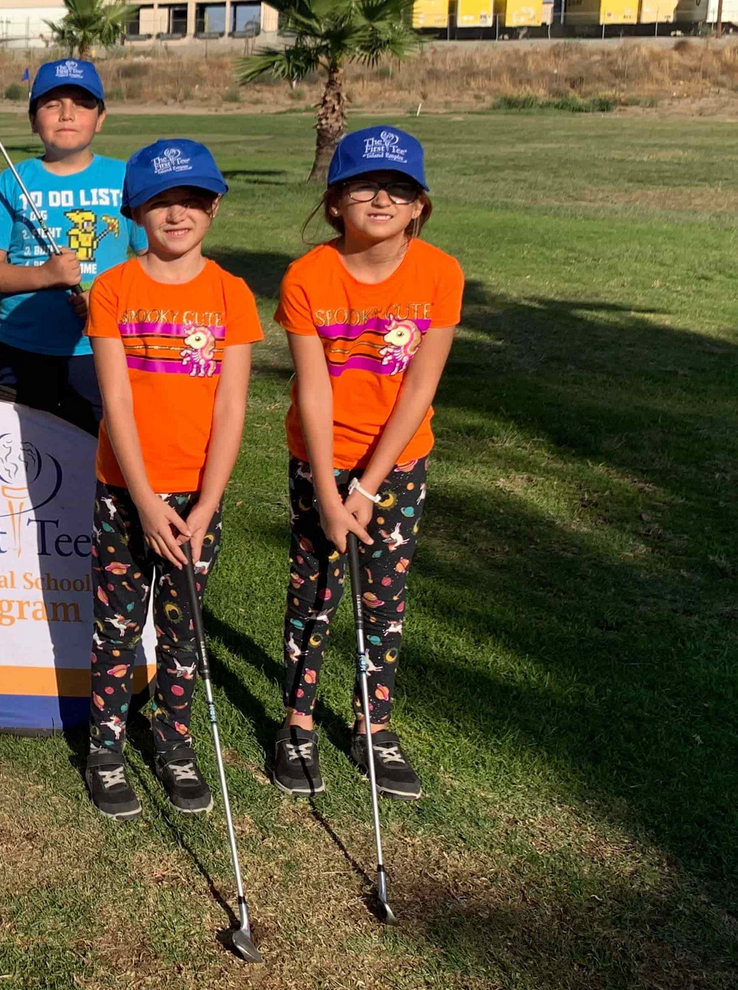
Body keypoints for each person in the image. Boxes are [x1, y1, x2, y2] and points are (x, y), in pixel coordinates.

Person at [267, 126, 461, 803]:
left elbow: (419, 389)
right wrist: (328, 489)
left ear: (418, 206)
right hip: (319, 459)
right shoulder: (307, 278)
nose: (382, 197)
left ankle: (372, 725)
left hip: (397, 465)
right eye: (365, 185)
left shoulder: (440, 274)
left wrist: (368, 488)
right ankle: (297, 723)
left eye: (400, 188)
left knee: (384, 597)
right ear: (334, 203)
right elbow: (313, 388)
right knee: (314, 592)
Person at [81, 139, 261, 821]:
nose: (176, 213)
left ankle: (175, 744)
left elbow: (232, 403)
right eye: (160, 200)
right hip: (126, 490)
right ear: (136, 211)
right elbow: (116, 401)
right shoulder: (115, 289)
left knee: (183, 630)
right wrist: (146, 499)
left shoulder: (232, 295)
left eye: (191, 200)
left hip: (198, 497)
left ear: (212, 207)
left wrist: (208, 501)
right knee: (118, 628)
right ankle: (105, 746)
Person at [0, 59, 145, 435]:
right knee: (26, 458)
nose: (67, 114)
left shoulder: (126, 178)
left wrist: (110, 299)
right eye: (51, 104)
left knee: (99, 453)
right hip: (23, 351)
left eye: (81, 103)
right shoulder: (13, 180)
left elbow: (154, 264)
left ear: (101, 117)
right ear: (33, 120)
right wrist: (45, 275)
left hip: (102, 350)